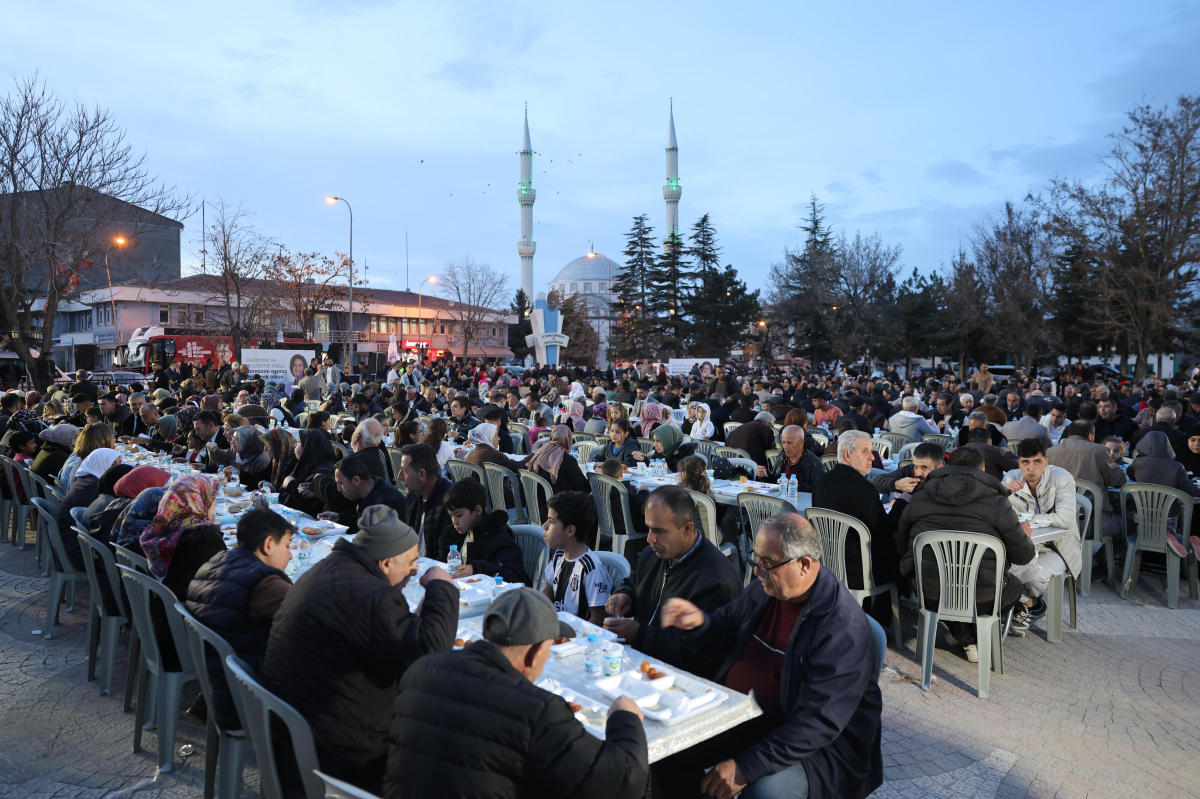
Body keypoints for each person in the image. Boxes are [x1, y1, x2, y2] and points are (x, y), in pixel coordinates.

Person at [654, 513, 883, 799]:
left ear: (804, 565)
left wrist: (745, 767)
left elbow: (816, 724)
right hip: (744, 719)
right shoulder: (766, 591)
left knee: (765, 792)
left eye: (769, 563)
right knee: (668, 747)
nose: (757, 571)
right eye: (756, 559)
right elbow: (726, 624)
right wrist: (701, 622)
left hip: (817, 753)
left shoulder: (842, 629)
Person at [383, 588, 649, 799]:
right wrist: (625, 719)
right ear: (536, 652)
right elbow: (624, 783)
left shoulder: (421, 669)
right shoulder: (538, 711)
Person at [264, 505, 457, 792]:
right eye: (412, 562)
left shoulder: (333, 570)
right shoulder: (370, 595)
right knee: (454, 744)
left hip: (297, 730)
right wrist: (442, 589)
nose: (416, 569)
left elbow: (395, 639)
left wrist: (422, 615)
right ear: (386, 563)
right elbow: (428, 658)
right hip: (341, 753)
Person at [896, 446, 1036, 663]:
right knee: (1013, 587)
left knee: (948, 584)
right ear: (982, 470)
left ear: (947, 467)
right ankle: (972, 636)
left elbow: (903, 543)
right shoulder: (997, 502)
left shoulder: (919, 498)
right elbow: (1023, 556)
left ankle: (964, 636)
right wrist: (1022, 536)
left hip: (929, 592)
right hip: (980, 597)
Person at [604, 486, 742, 679]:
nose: (650, 538)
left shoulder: (717, 579)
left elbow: (701, 652)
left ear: (687, 528)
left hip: (683, 682)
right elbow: (636, 580)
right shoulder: (654, 554)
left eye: (659, 531)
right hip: (640, 665)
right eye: (649, 528)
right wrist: (626, 595)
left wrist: (639, 634)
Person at [186, 508, 295, 732]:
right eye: (287, 546)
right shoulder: (263, 584)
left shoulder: (214, 562)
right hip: (250, 699)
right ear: (268, 545)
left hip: (219, 687)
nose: (290, 555)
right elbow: (314, 616)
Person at [812, 430, 905, 625]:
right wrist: (901, 504)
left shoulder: (821, 482)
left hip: (828, 562)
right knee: (900, 560)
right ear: (847, 454)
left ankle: (875, 618)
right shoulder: (863, 487)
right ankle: (879, 621)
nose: (873, 457)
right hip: (859, 570)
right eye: (866, 452)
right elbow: (885, 527)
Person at [1002, 438, 1079, 633]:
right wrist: (1003, 493)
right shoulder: (1011, 477)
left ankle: (1022, 602)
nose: (1031, 468)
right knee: (996, 571)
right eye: (1025, 462)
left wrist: (1029, 519)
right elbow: (996, 514)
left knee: (1035, 576)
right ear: (1019, 462)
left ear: (1046, 462)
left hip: (1057, 546)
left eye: (1037, 462)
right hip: (1022, 545)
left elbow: (1066, 519)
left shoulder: (1062, 477)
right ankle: (1031, 604)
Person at [443, 479, 531, 585]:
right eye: (451, 516)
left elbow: (514, 576)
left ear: (477, 510)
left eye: (459, 515)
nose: (454, 522)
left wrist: (477, 568)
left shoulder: (498, 537)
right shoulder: (459, 534)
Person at [1126, 431, 1200, 559]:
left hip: (1141, 515)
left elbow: (1130, 474)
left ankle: (1173, 538)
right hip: (1168, 516)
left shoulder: (1137, 463)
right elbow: (1189, 489)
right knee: (1167, 530)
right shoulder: (1177, 467)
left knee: (1141, 530)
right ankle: (1181, 540)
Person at [1047, 421, 1126, 539]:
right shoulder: (1099, 450)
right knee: (1128, 525)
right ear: (1090, 436)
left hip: (1060, 522)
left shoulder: (1050, 452)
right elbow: (1118, 480)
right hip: (1094, 522)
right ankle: (1102, 556)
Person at [541, 491, 610, 623]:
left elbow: (599, 618)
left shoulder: (591, 569)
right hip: (558, 629)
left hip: (578, 638)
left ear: (570, 530)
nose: (545, 526)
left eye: (551, 521)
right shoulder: (559, 555)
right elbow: (547, 594)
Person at [56, 448, 122, 569]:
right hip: (79, 553)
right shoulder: (94, 488)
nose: (116, 468)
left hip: (75, 545)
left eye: (119, 463)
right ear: (100, 463)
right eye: (112, 464)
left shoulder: (89, 479)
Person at [314, 456, 407, 535]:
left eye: (340, 483)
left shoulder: (386, 502)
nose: (339, 489)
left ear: (356, 480)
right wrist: (339, 518)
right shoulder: (369, 491)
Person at [400, 443, 457, 560]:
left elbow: (446, 558)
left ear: (421, 474)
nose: (399, 476)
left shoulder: (449, 504)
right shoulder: (413, 498)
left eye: (405, 472)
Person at [760, 424, 822, 489]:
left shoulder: (813, 463)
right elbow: (773, 482)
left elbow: (819, 490)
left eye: (789, 443)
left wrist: (797, 486)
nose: (785, 447)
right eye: (783, 442)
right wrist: (764, 475)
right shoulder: (782, 456)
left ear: (801, 443)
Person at [871, 442, 944, 495]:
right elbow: (876, 482)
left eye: (924, 467)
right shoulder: (908, 470)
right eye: (916, 466)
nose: (918, 473)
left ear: (940, 467)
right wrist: (896, 484)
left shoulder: (949, 478)